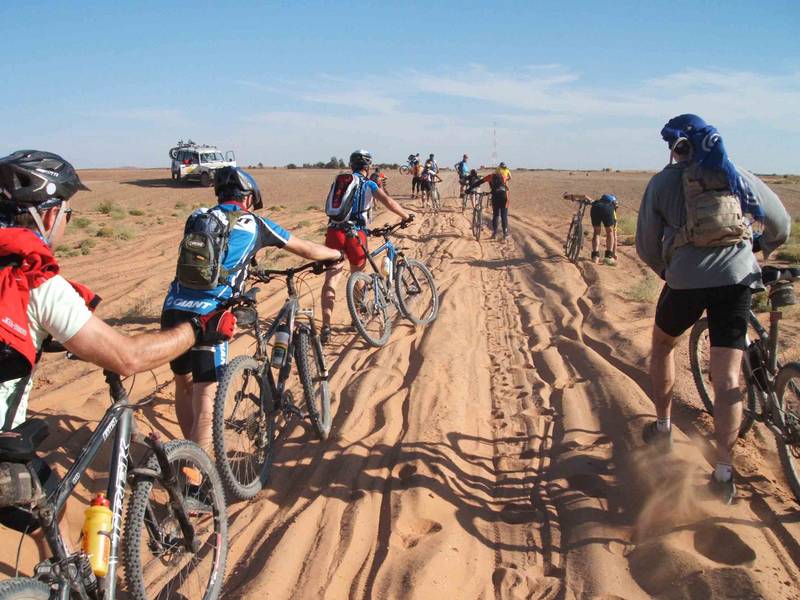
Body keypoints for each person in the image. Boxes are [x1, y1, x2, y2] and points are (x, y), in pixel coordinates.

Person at [0, 150, 236, 550]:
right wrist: (196, 330)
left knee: (44, 512)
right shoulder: (33, 280)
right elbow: (129, 357)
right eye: (68, 214)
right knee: (57, 512)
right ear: (49, 215)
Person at [636, 114, 790, 504]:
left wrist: (668, 273)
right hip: (737, 281)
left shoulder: (662, 182)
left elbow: (646, 245)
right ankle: (723, 473)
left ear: (674, 148)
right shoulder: (734, 173)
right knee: (728, 378)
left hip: (685, 282)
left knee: (664, 345)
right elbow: (781, 224)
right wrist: (754, 252)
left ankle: (664, 426)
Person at [161, 166, 342, 455]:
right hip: (210, 317)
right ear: (247, 199)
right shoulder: (255, 223)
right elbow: (306, 249)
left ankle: (190, 454)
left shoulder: (198, 216)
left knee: (184, 385)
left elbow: (208, 260)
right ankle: (196, 479)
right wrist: (335, 254)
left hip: (173, 309)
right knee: (207, 400)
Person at [321, 150, 413, 343]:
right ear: (368, 166)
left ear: (352, 165)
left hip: (333, 232)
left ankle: (326, 327)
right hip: (356, 233)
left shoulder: (340, 182)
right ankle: (358, 318)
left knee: (331, 279)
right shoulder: (368, 183)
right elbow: (388, 201)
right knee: (358, 275)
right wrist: (405, 216)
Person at [468, 168, 510, 239]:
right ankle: (505, 234)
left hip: (495, 196)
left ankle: (494, 234)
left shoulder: (490, 176)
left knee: (496, 215)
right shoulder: (504, 177)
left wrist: (468, 189)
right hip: (505, 196)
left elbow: (479, 182)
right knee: (504, 215)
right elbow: (506, 187)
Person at [590, 194, 619, 265]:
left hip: (595, 208)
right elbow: (615, 237)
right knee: (610, 232)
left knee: (596, 232)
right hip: (607, 209)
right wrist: (613, 254)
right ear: (613, 203)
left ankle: (595, 256)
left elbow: (585, 197)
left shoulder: (597, 202)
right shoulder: (611, 207)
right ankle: (609, 256)